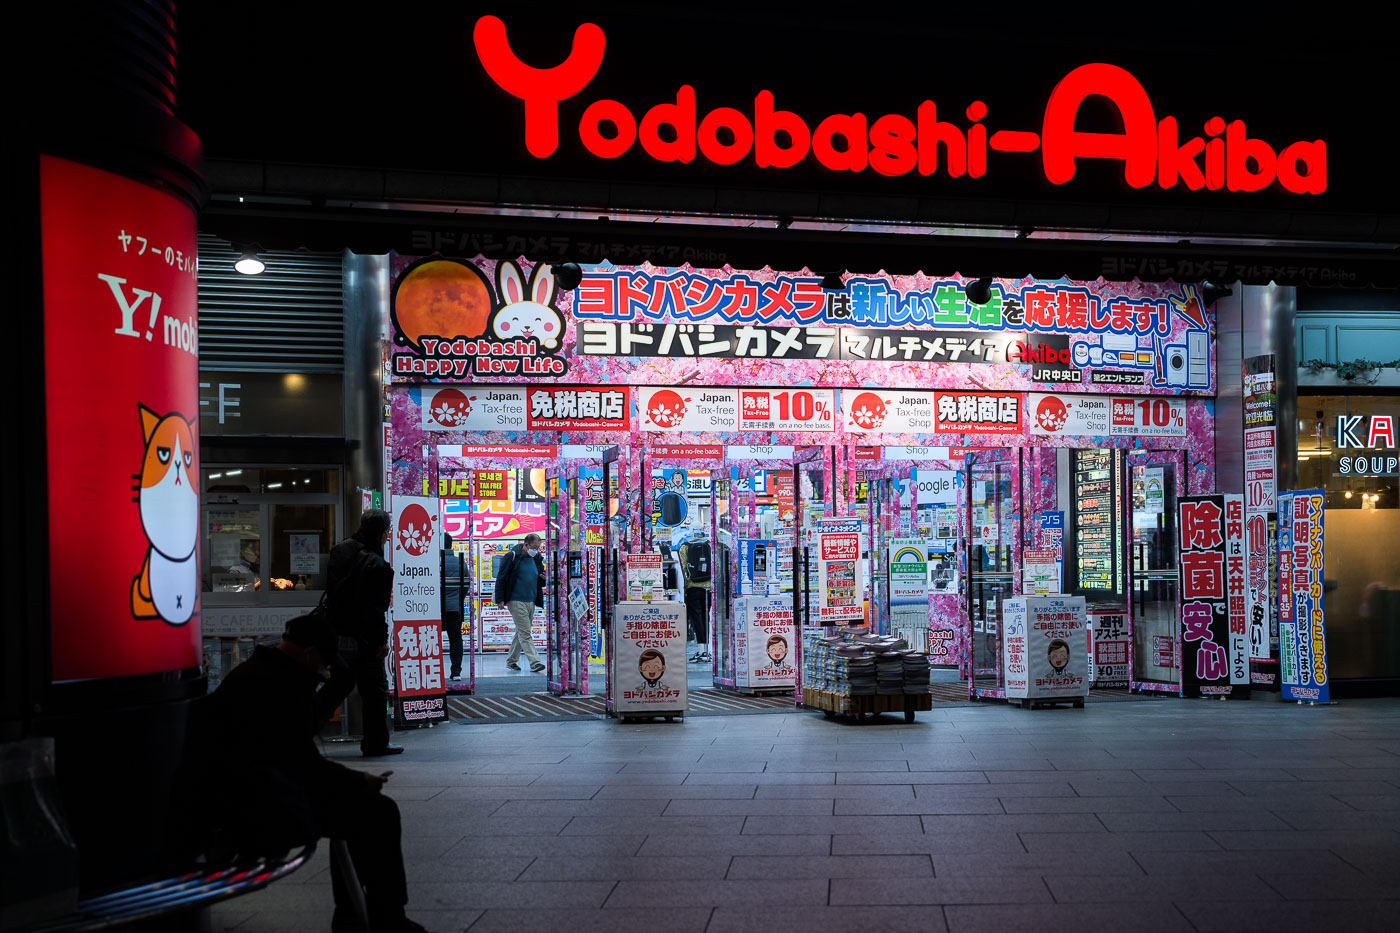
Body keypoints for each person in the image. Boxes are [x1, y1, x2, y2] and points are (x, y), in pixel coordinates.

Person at [186, 613, 426, 933]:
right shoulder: (277, 687)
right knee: (378, 812)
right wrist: (358, 781)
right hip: (250, 805)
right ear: (310, 653)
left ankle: (353, 915)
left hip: (250, 788)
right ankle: (386, 919)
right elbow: (301, 762)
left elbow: (298, 747)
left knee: (357, 809)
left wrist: (339, 676)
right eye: (324, 662)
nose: (324, 670)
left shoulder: (266, 671)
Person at [317, 509, 401, 756]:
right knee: (375, 691)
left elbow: (331, 591)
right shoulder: (378, 564)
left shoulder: (339, 550)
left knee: (337, 685)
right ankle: (375, 743)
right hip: (364, 638)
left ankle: (298, 730)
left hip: (337, 632)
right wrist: (381, 641)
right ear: (384, 533)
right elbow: (376, 610)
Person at [493, 532, 546, 673]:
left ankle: (511, 661)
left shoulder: (537, 559)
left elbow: (540, 579)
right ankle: (535, 662)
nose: (536, 550)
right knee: (525, 632)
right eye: (534, 547)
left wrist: (543, 578)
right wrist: (500, 599)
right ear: (526, 544)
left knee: (521, 632)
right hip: (515, 600)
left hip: (531, 600)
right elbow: (501, 577)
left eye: (539, 547)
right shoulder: (512, 556)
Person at [441, 533, 464, 682]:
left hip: (437, 609)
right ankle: (456, 672)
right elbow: (466, 584)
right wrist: (458, 598)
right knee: (455, 639)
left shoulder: (435, 562)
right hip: (455, 608)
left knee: (433, 638)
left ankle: (434, 672)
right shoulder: (460, 562)